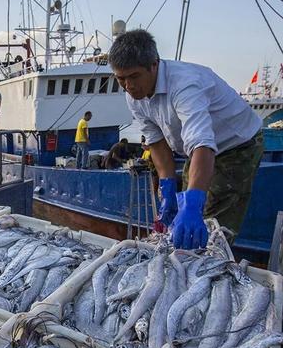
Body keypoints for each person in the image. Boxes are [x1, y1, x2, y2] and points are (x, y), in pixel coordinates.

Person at [109, 29, 263, 249]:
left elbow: (202, 143)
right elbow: (157, 143)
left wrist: (193, 205)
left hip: (237, 145)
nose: (128, 86)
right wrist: (168, 188)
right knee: (180, 210)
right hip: (198, 151)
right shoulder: (134, 95)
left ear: (154, 64)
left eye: (134, 76)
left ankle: (213, 262)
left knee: (212, 223)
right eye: (121, 79)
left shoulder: (184, 85)